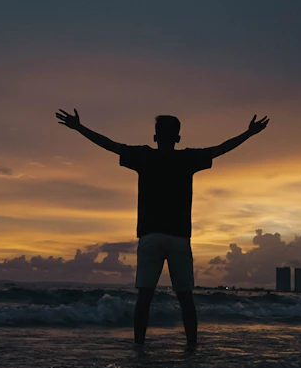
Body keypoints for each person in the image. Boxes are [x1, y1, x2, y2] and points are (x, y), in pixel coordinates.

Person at [55, 109, 270, 347]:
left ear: (155, 137)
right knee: (186, 298)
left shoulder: (143, 156)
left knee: (144, 297)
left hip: (150, 235)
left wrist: (79, 128)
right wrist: (249, 134)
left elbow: (109, 144)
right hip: (179, 237)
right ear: (178, 138)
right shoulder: (187, 159)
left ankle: (139, 348)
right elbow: (221, 149)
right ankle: (191, 347)